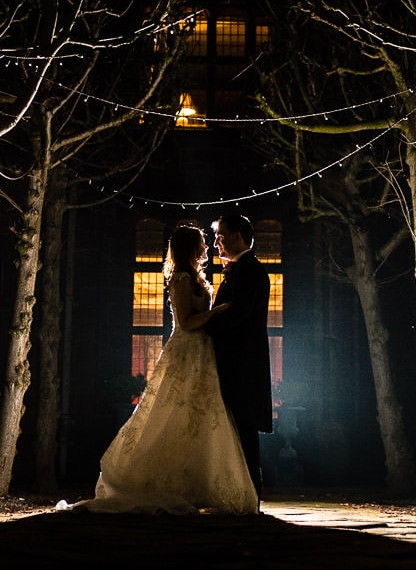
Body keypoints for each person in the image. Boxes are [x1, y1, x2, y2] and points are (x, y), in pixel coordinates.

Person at [73, 224, 259, 515]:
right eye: (201, 243)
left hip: (202, 353)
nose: (207, 247)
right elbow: (185, 322)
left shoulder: (195, 275)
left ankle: (197, 482)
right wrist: (216, 312)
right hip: (186, 350)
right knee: (174, 412)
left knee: (199, 415)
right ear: (189, 248)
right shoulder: (181, 278)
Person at [204, 214, 273, 505]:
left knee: (243, 427)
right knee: (236, 427)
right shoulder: (240, 269)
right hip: (236, 363)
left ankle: (250, 495)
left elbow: (239, 314)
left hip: (242, 365)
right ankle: (242, 493)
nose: (216, 242)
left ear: (239, 237)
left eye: (221, 235)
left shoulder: (250, 270)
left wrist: (203, 326)